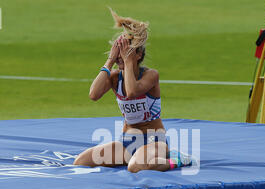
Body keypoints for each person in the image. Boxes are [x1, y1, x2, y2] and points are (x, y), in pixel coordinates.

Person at [73, 9, 192, 172]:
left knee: (135, 167)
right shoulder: (114, 77)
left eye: (126, 51)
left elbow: (131, 92)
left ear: (138, 55)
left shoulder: (151, 76)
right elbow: (93, 95)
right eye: (119, 51)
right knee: (81, 161)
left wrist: (128, 62)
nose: (121, 56)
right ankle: (140, 157)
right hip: (127, 142)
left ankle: (177, 159)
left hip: (153, 141)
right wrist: (109, 60)